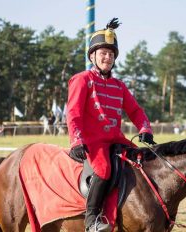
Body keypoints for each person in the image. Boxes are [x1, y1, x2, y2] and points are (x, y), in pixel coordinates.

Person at [66, 18, 155, 232]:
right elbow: (73, 113)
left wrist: (145, 129)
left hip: (115, 140)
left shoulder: (119, 85)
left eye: (111, 54)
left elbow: (135, 111)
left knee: (141, 160)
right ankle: (91, 220)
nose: (107, 57)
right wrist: (76, 140)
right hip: (92, 142)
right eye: (103, 53)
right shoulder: (82, 79)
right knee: (104, 169)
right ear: (93, 56)